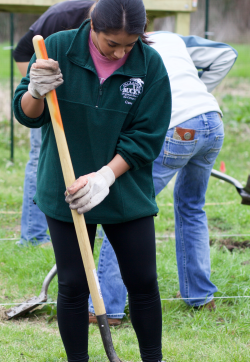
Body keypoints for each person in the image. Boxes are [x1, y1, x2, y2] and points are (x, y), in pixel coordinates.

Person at [13, 0, 191, 362]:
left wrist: (107, 176)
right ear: (93, 25)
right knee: (74, 285)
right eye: (111, 43)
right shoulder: (56, 48)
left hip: (123, 189)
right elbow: (27, 114)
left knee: (142, 280)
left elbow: (147, 136)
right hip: (67, 188)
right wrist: (36, 92)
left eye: (128, 45)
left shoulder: (149, 66)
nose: (119, 53)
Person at [88, 32, 238, 323]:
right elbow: (226, 55)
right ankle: (200, 296)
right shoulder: (171, 38)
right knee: (192, 207)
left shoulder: (121, 50)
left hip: (177, 128)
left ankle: (108, 308)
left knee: (123, 208)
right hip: (211, 119)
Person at [13, 0, 95, 247]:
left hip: (89, 98)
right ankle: (33, 236)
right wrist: (40, 88)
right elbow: (21, 52)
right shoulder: (62, 15)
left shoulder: (124, 19)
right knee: (41, 157)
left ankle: (99, 231)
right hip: (50, 96)